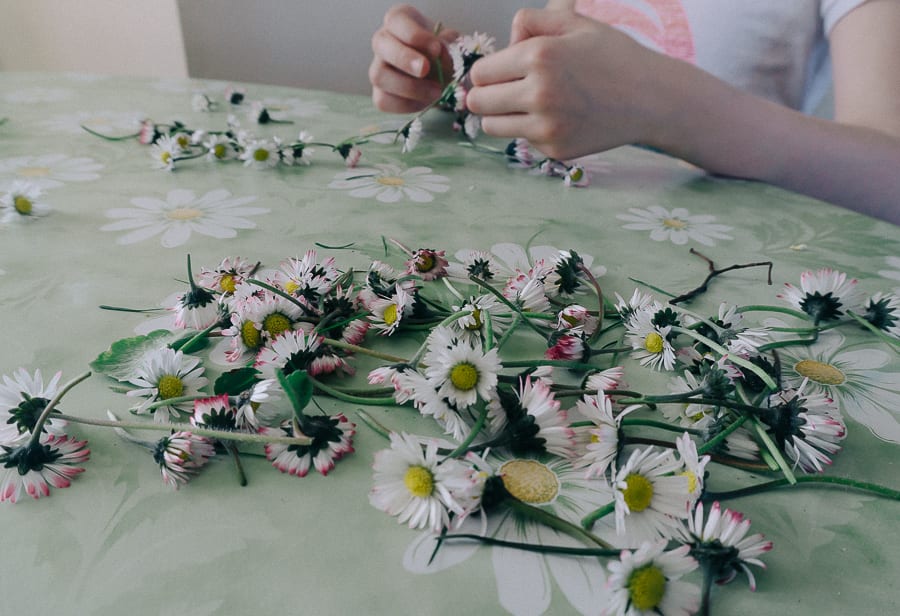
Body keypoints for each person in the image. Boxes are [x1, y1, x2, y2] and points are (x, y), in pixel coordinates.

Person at [369, 0, 900, 225]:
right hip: (565, 263)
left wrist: (659, 105)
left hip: (723, 286)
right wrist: (466, 76)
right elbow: (569, 79)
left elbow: (889, 177)